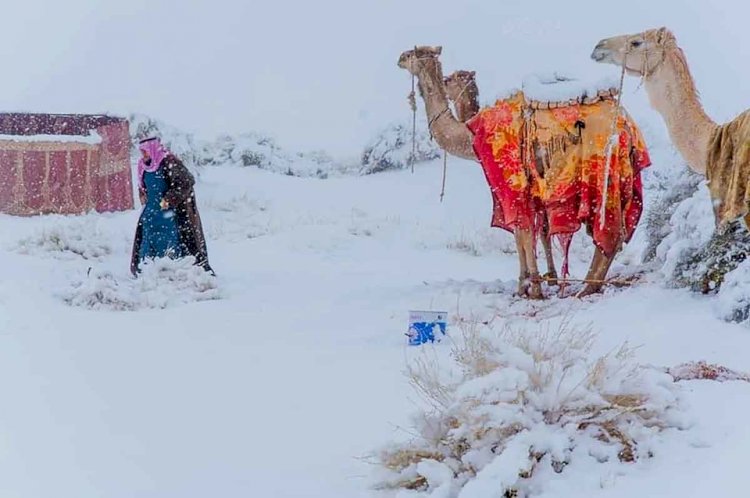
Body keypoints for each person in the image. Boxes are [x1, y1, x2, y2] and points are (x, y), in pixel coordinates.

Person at [130, 137, 214, 276]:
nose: (143, 155)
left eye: (145, 151)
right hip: (150, 212)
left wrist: (169, 199)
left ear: (153, 149)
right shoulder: (142, 166)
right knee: (148, 239)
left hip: (167, 212)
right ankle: (146, 271)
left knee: (168, 239)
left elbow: (186, 181)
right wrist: (143, 195)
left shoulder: (169, 162)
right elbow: (142, 185)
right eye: (141, 152)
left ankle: (173, 270)